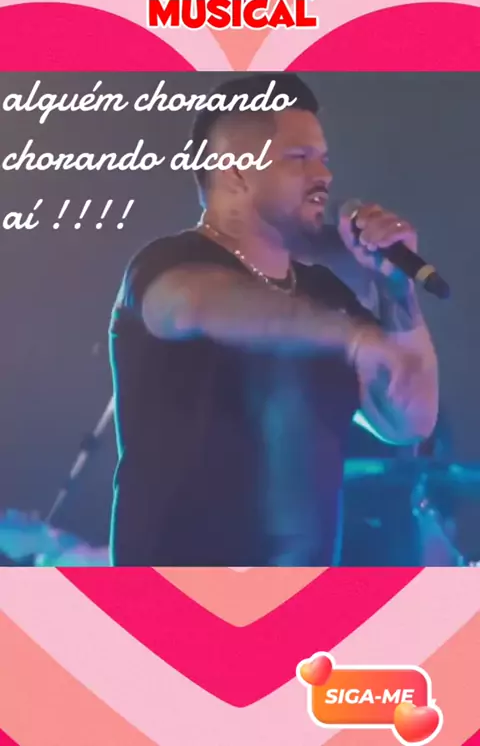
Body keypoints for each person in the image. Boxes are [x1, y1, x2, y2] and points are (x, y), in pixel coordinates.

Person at [109, 73, 438, 567]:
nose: (324, 175)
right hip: (177, 592)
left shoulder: (324, 293)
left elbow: (409, 421)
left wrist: (397, 294)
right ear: (236, 171)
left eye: (324, 158)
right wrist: (346, 335)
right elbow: (199, 303)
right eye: (299, 158)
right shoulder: (168, 263)